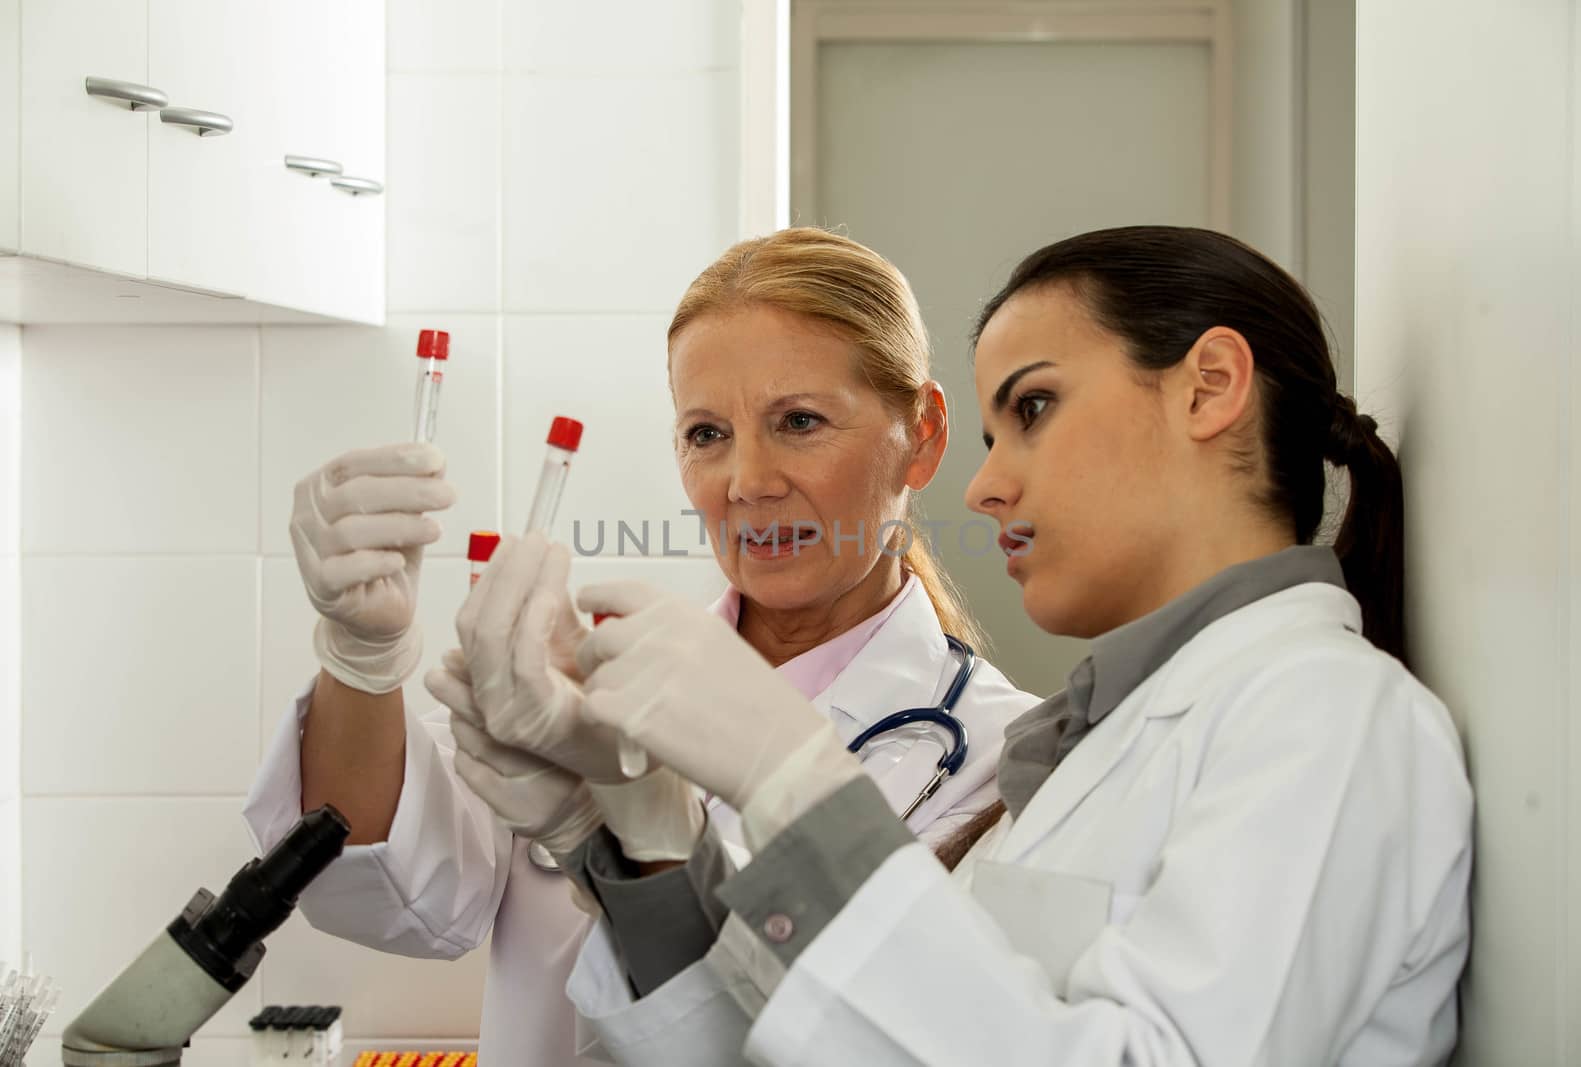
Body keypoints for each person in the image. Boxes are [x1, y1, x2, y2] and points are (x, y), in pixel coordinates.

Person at [466, 226, 1473, 1065]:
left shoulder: (1327, 717)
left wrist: (795, 780)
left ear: (1208, 387)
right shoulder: (1111, 743)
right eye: (705, 434)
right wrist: (645, 844)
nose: (986, 489)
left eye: (1032, 408)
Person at [241, 228, 1040, 1064]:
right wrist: (361, 658)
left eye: (799, 421)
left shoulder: (1001, 760)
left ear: (925, 434)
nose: (748, 481)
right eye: (706, 434)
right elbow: (382, 892)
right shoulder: (589, 688)